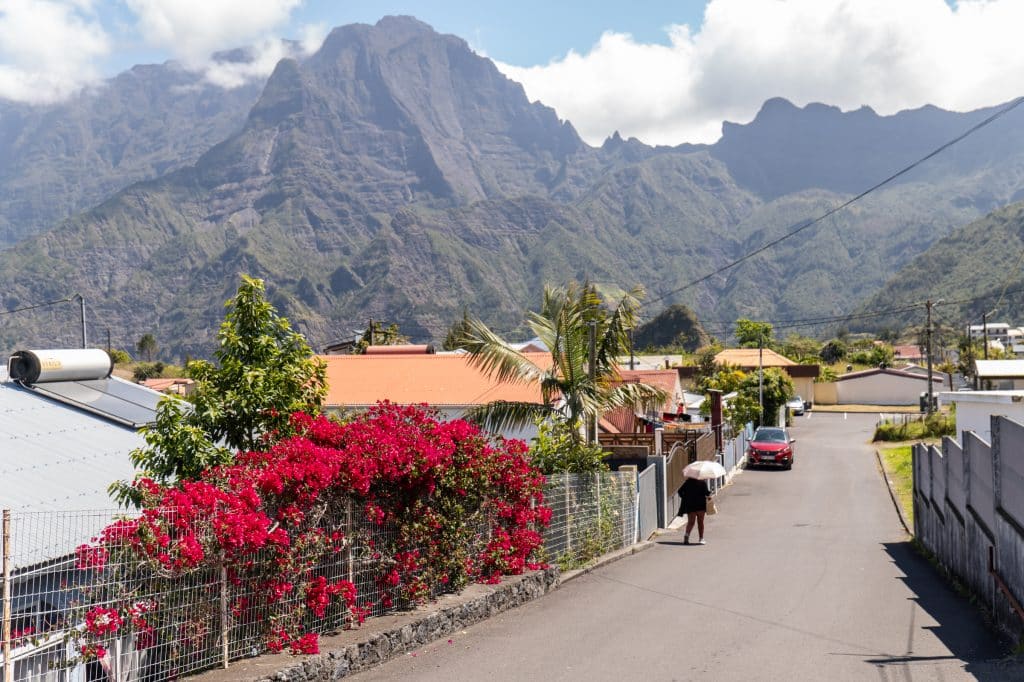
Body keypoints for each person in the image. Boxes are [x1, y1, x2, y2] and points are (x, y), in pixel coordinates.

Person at [680, 476, 711, 545]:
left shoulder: (687, 482)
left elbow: (680, 491)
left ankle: (686, 536)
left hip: (690, 506)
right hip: (700, 505)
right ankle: (701, 539)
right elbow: (707, 493)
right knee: (700, 522)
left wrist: (686, 498)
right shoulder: (702, 482)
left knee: (691, 522)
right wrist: (709, 496)